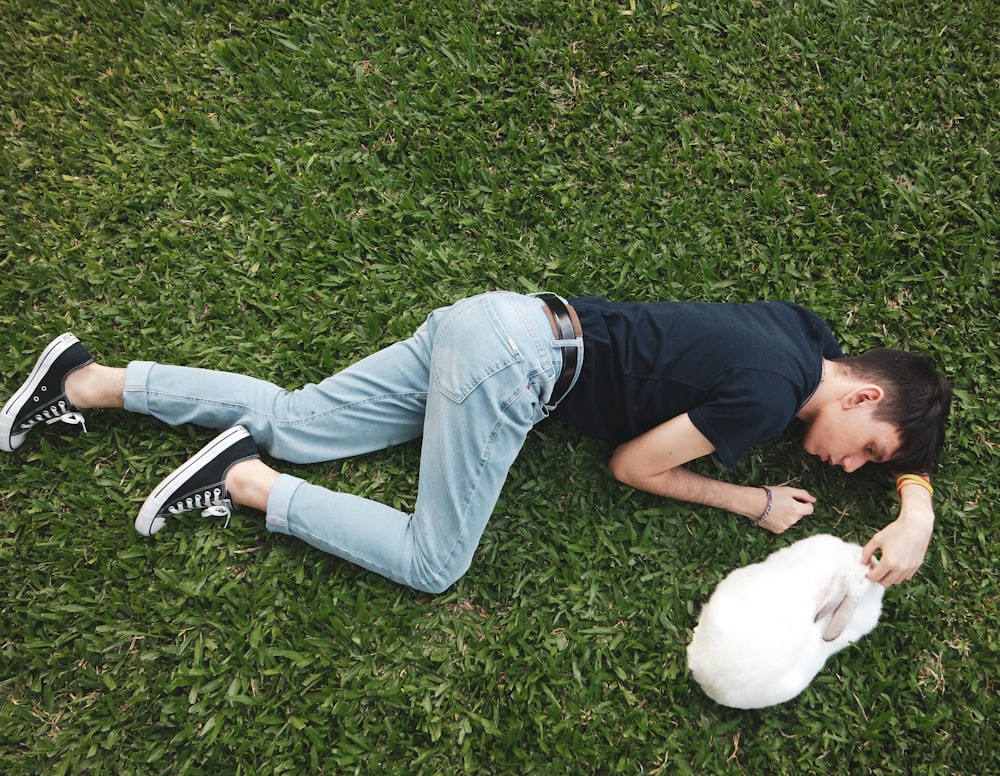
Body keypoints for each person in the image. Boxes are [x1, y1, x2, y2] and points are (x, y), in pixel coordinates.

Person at [1, 291, 950, 593]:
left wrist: (916, 505)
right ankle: (246, 485)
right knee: (434, 561)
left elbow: (898, 418)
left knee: (299, 417)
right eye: (868, 449)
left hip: (497, 319)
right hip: (516, 377)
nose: (852, 465)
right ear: (862, 393)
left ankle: (88, 382)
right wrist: (754, 502)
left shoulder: (804, 336)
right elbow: (633, 465)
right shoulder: (766, 400)